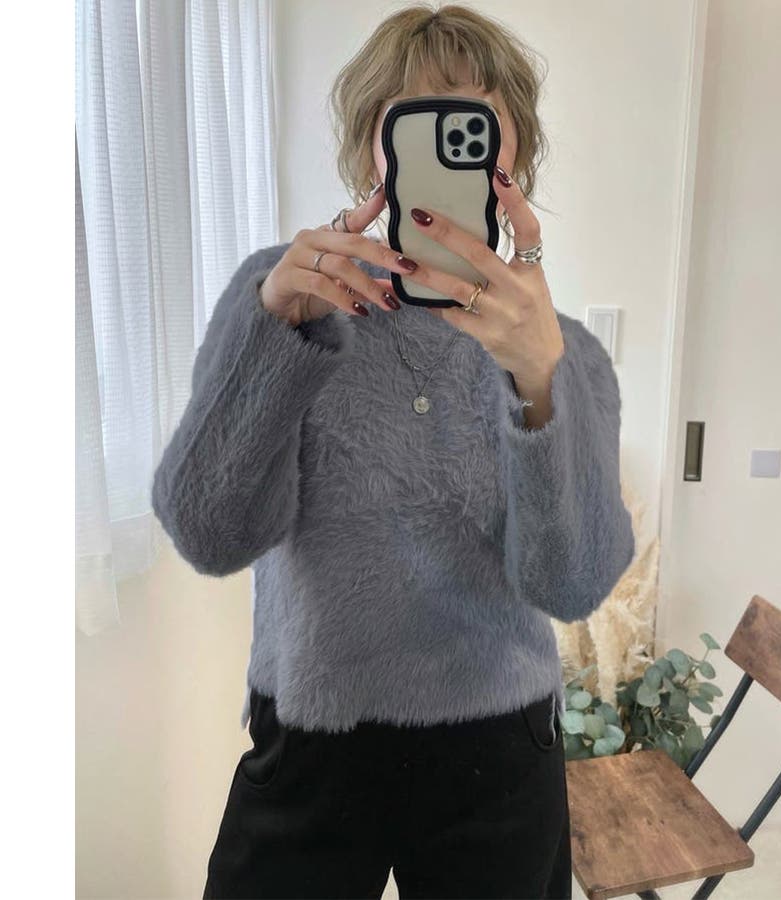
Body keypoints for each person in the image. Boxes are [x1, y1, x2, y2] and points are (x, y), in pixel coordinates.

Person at [151, 4, 635, 898]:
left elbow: (570, 585)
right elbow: (209, 532)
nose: (446, 150)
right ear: (371, 151)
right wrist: (275, 340)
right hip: (312, 730)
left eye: (473, 125)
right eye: (412, 122)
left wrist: (539, 381)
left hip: (498, 747)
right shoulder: (283, 299)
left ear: (515, 156)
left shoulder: (561, 350)